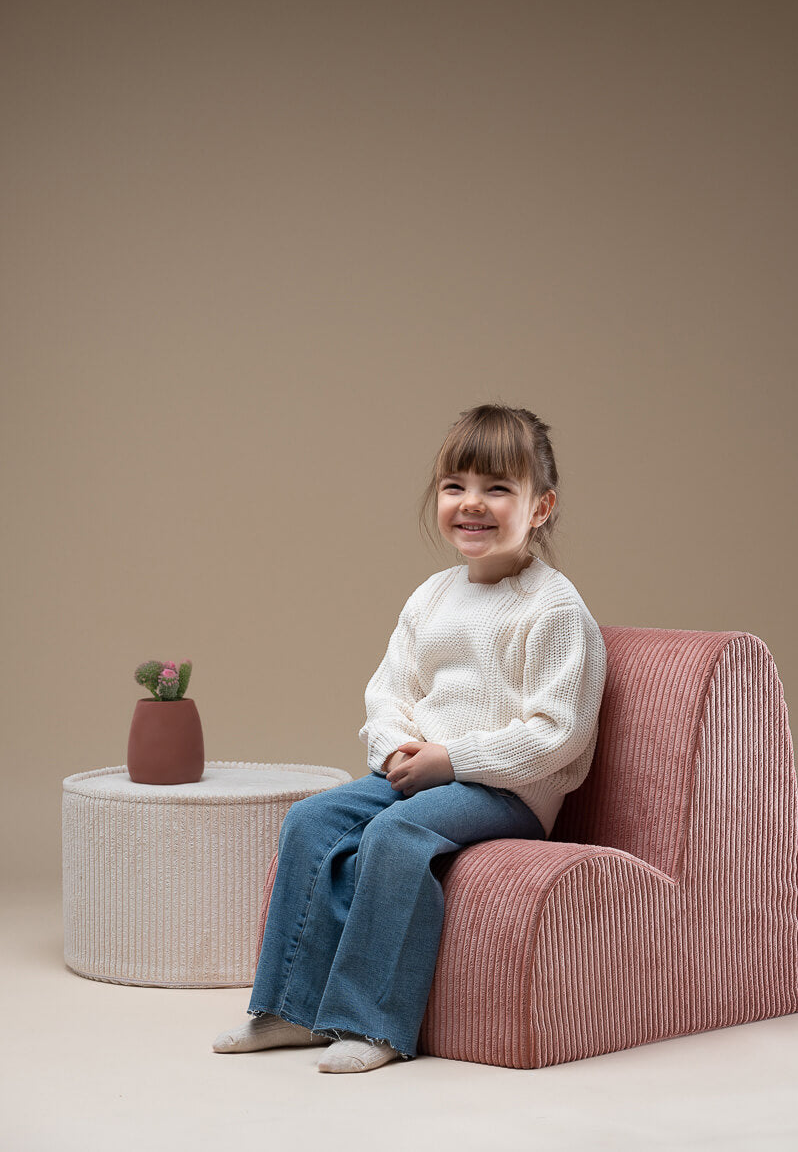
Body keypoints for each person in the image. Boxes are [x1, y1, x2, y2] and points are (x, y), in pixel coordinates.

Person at [212, 402, 607, 1073]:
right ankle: (291, 1008)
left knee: (395, 836)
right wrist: (395, 747)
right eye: (455, 486)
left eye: (497, 488)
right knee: (312, 820)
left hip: (505, 791)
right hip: (422, 771)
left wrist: (454, 759)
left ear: (540, 507)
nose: (471, 504)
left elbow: (558, 733)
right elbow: (390, 690)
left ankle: (374, 1024)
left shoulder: (554, 607)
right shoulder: (432, 595)